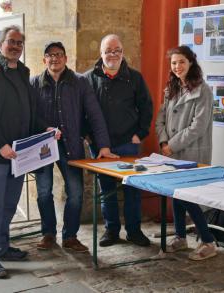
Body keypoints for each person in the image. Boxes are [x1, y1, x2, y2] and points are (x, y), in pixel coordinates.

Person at [0, 25, 50, 279]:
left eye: (19, 43)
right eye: (10, 42)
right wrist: (0, 145)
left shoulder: (23, 73)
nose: (15, 46)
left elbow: (29, 111)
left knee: (9, 205)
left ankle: (2, 247)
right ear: (0, 44)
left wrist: (44, 130)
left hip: (19, 154)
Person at [31, 41, 117, 252]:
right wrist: (45, 128)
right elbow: (29, 115)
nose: (54, 58)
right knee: (43, 192)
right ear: (44, 60)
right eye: (50, 55)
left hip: (71, 146)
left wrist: (103, 145)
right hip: (43, 146)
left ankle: (70, 236)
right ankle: (48, 234)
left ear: (66, 58)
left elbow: (94, 114)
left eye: (59, 54)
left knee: (76, 192)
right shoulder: (34, 83)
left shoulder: (79, 82)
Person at [84, 34, 153, 247]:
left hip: (127, 142)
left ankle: (134, 231)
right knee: (106, 190)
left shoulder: (135, 77)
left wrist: (140, 134)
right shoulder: (88, 78)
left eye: (117, 50)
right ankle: (111, 230)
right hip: (100, 145)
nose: (113, 54)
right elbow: (81, 110)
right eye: (108, 50)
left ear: (123, 53)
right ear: (101, 53)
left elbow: (146, 106)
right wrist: (87, 136)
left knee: (132, 189)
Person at [155, 45, 217, 261]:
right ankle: (181, 237)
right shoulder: (170, 88)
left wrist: (172, 145)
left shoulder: (203, 90)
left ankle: (208, 241)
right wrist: (163, 141)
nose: (177, 66)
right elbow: (160, 118)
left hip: (191, 152)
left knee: (189, 197)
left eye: (181, 62)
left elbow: (198, 126)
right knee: (175, 194)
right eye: (173, 63)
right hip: (170, 152)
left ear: (191, 62)